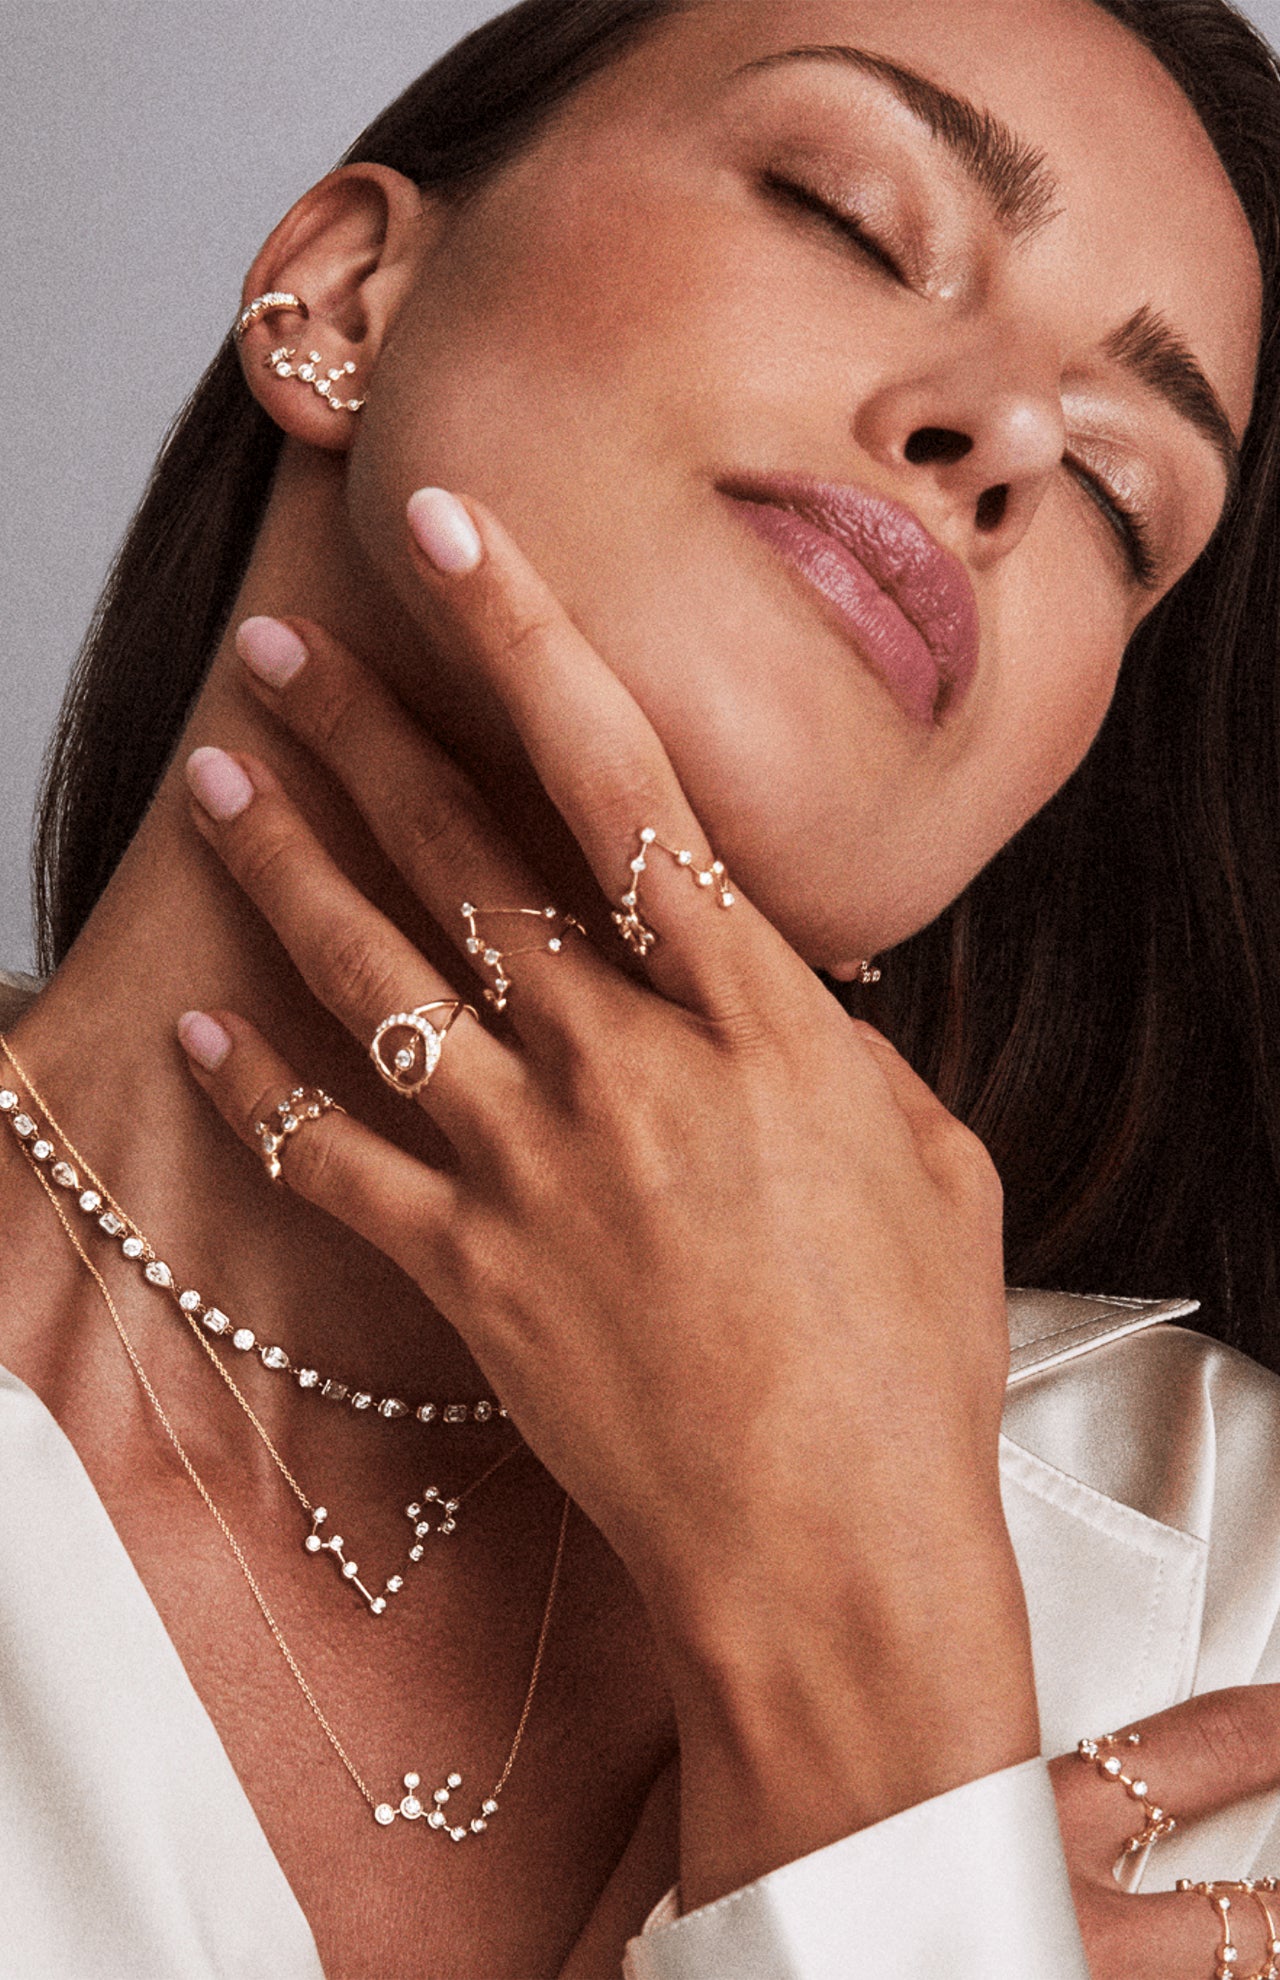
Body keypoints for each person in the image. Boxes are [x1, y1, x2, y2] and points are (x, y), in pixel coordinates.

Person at [3, 0, 1280, 1973]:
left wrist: (850, 1637)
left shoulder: (1238, 1584)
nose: (1017, 441)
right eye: (853, 217)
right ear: (344, 296)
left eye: (1123, 499)